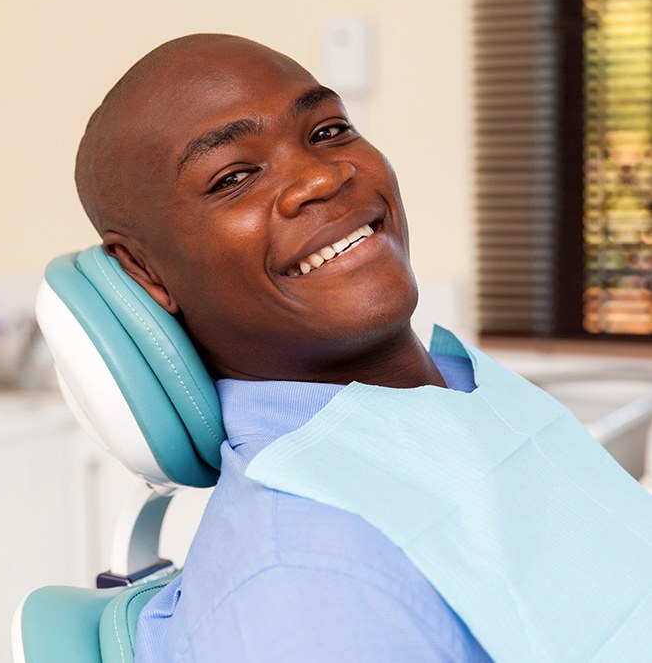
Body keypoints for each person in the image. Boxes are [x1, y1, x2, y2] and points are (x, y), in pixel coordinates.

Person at [75, 34, 491, 661]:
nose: (322, 177)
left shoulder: (467, 385)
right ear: (145, 271)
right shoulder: (308, 583)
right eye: (234, 177)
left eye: (326, 131)